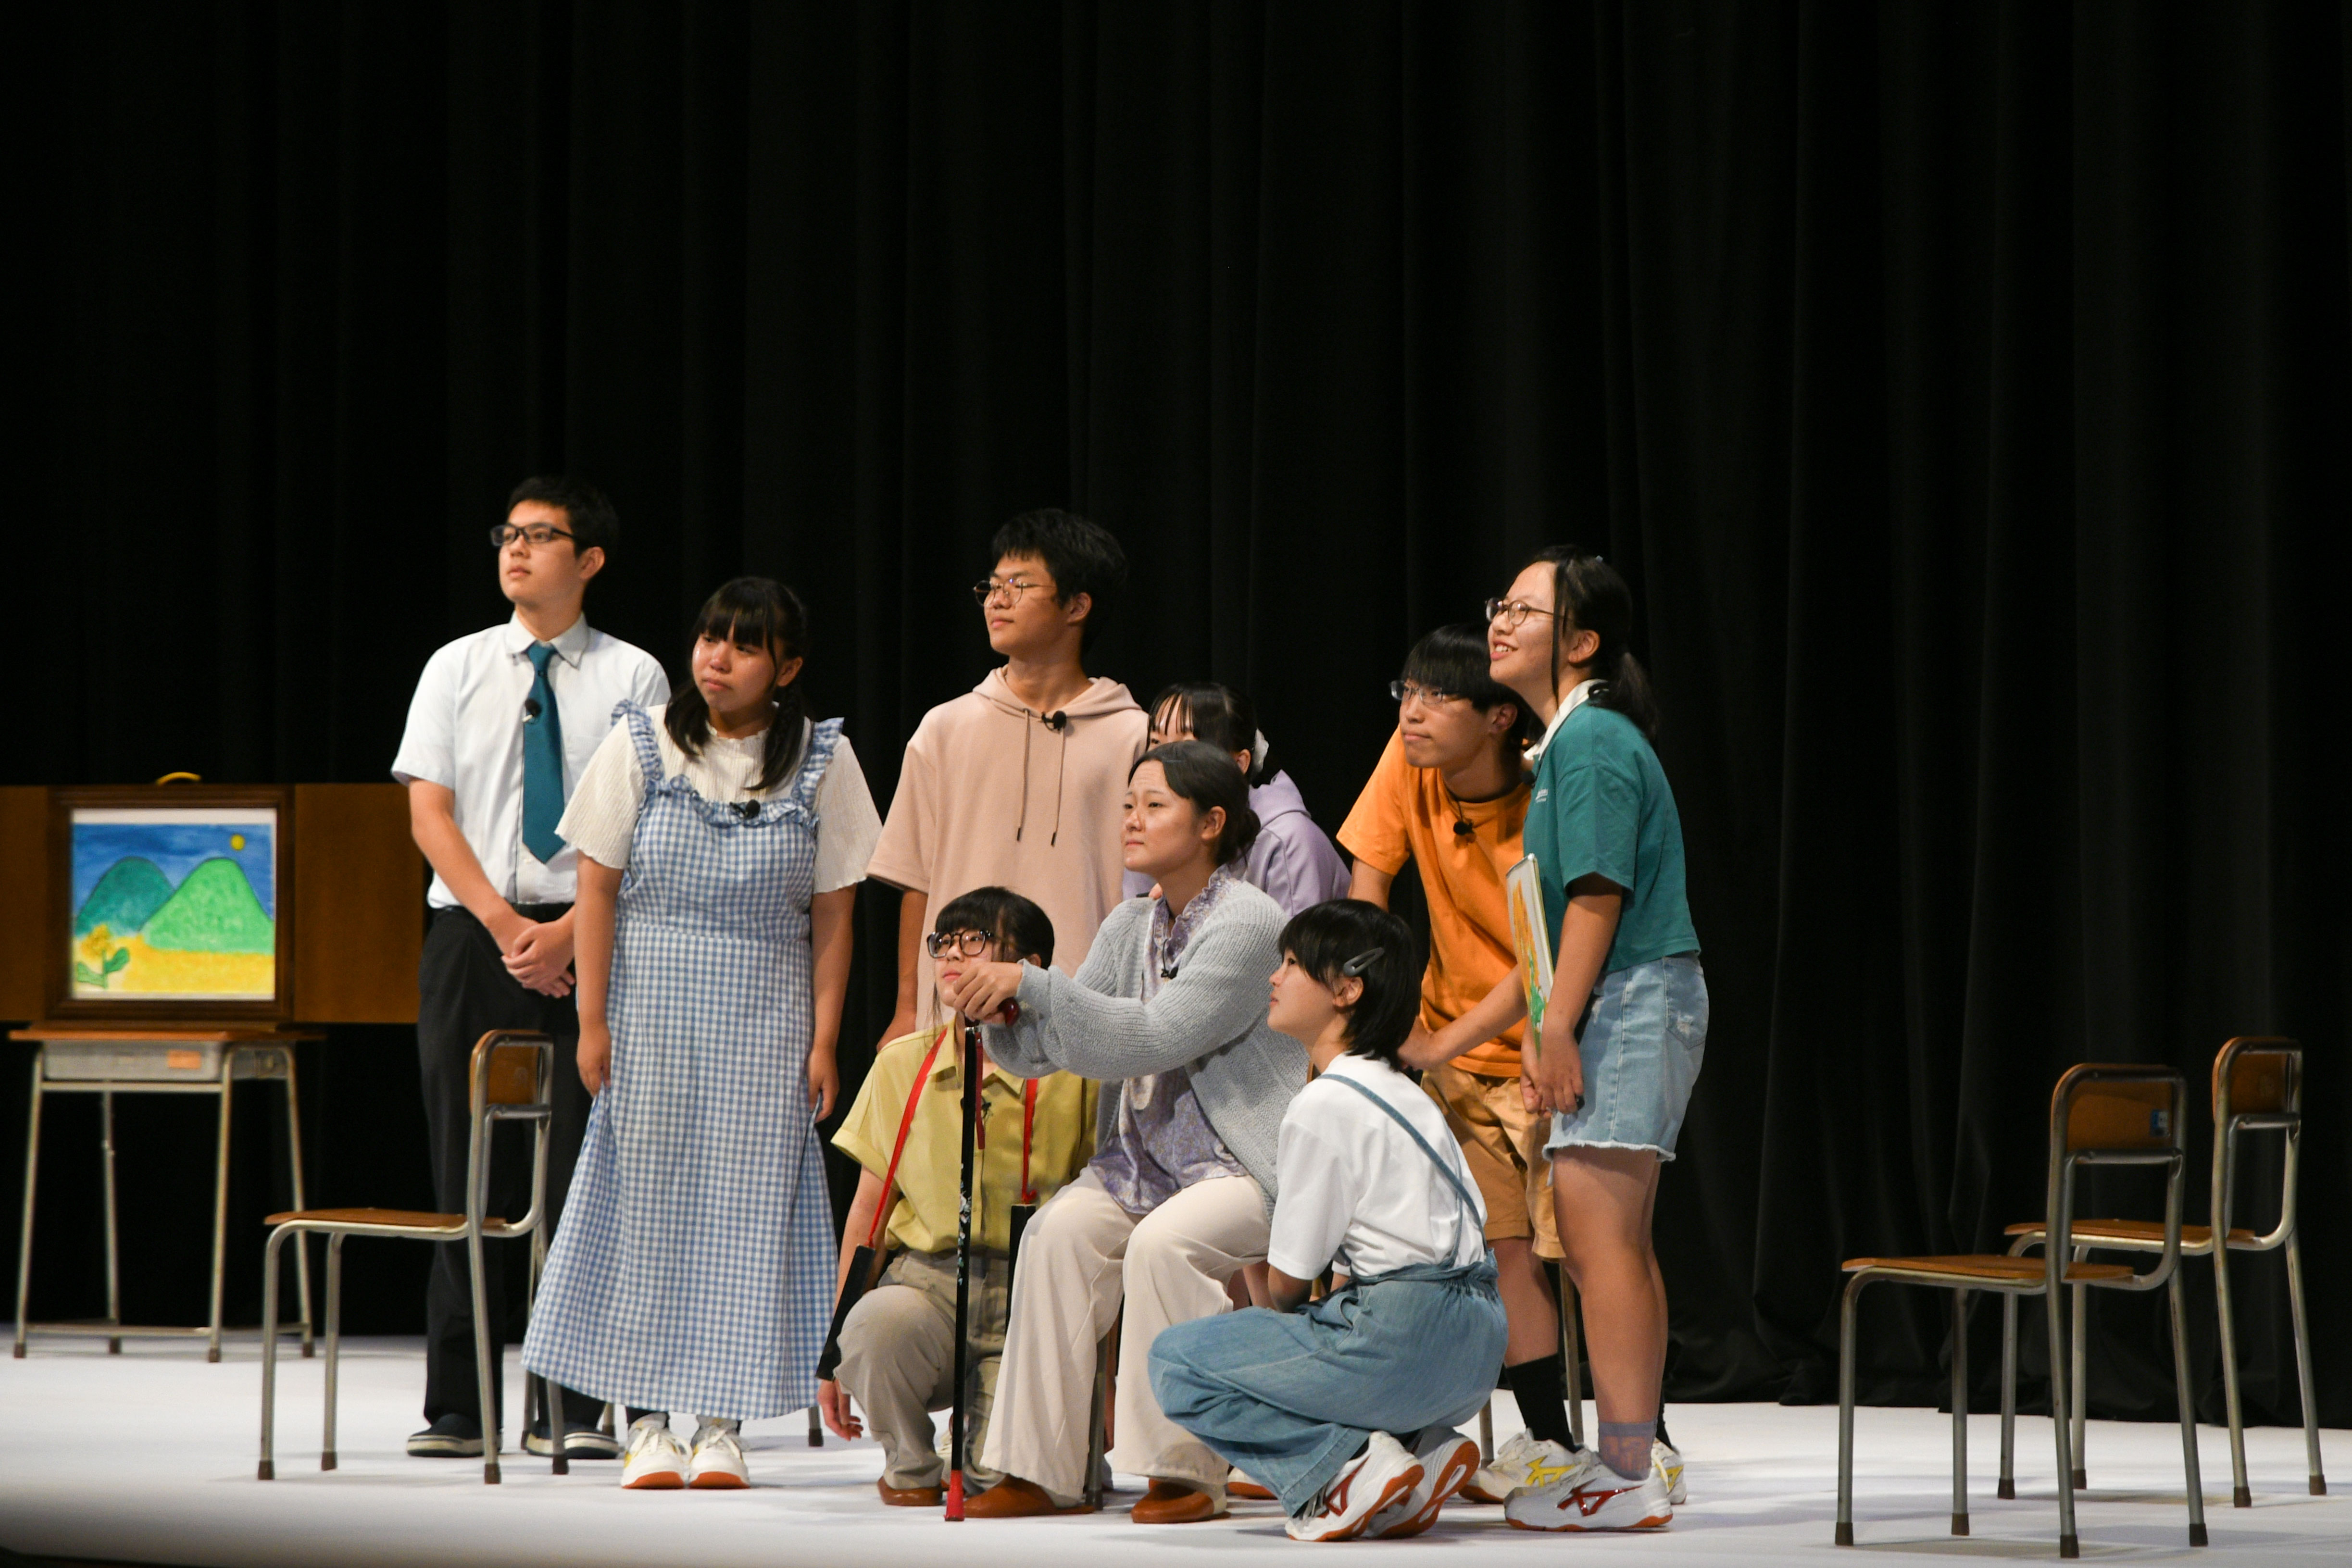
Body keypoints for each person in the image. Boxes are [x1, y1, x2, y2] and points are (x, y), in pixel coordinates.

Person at [520, 576, 882, 1490]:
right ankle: (645, 1422)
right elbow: (596, 887)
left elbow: (835, 914)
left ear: (786, 669)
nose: (717, 659)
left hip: (767, 1013)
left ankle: (722, 1422)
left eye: (744, 646)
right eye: (710, 638)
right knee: (646, 1206)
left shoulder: (824, 759)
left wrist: (825, 1040)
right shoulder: (643, 741)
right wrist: (592, 1021)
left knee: (748, 1211)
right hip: (652, 1010)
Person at [937, 741, 1308, 1524]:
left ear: (1211, 822)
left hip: (1242, 1167)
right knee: (1058, 1233)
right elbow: (1059, 1048)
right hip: (1140, 1164)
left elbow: (1152, 1037)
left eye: (1155, 805)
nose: (1132, 819)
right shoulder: (1128, 921)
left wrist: (1033, 983)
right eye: (1129, 805)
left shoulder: (1248, 922)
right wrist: (1005, 1014)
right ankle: (1044, 1469)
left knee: (1164, 1244)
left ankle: (1183, 1467)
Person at [1409, 548, 1704, 1531]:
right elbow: (1541, 934)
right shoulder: (1564, 745)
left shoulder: (1593, 742)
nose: (1498, 621)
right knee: (1602, 1242)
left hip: (1629, 997)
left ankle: (1625, 1467)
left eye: (1525, 611)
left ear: (1579, 642)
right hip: (1610, 997)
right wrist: (1466, 1037)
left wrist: (1559, 1026)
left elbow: (1596, 897)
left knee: (1598, 1241)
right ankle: (1628, 1462)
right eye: (1499, 604)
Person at [390, 475, 668, 1461]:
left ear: (588, 559)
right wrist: (511, 925)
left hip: (593, 930)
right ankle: (459, 1402)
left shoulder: (634, 674)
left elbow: (649, 819)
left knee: (584, 1171)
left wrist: (568, 933)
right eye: (508, 533)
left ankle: (574, 1399)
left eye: (540, 536)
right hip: (475, 933)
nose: (516, 549)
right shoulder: (458, 664)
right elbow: (429, 811)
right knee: (466, 1166)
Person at [1149, 898, 1508, 1542]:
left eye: (1292, 963)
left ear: (1347, 989)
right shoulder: (1411, 1095)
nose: (1274, 977)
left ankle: (1337, 1472)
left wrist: (1272, 1335)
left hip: (1402, 1337)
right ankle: (1417, 1444)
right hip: (1478, 1351)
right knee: (1316, 1332)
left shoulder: (1322, 1102)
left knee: (1177, 1361)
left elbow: (1288, 1285)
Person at [1339, 624, 1580, 1498]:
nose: (1412, 713)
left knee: (1591, 1254)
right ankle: (1551, 1439)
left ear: (1499, 716)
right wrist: (1376, 1012)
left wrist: (1440, 1041)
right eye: (1405, 692)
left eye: (1436, 697)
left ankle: (1645, 1437)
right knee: (1504, 1249)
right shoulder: (1411, 761)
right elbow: (1369, 888)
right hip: (1456, 1054)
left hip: (1551, 1046)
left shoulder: (1550, 793)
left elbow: (1542, 958)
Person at [820, 887, 1100, 1506]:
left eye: (974, 940)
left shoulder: (1077, 1068)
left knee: (1005, 1483)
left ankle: (980, 1441)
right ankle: (911, 1465)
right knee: (874, 1328)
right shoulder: (902, 1064)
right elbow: (868, 1213)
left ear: (1028, 965)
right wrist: (833, 1351)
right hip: (930, 1284)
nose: (951, 954)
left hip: (1033, 1291)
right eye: (943, 941)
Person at [865, 509, 1149, 1044]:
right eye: (991, 587)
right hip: (955, 1018)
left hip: (1083, 1020)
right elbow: (916, 881)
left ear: (1077, 606)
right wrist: (907, 1009)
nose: (996, 600)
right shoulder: (945, 727)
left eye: (1018, 586)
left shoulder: (1133, 736)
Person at [1136, 683, 1349, 919]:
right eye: (1156, 742)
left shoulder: (1287, 839)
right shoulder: (1146, 827)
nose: (1163, 761)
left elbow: (1297, 942)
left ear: (1238, 763)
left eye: (1186, 746)